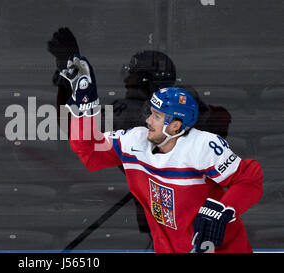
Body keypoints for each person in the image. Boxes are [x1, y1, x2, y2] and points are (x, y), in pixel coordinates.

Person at [60, 55, 263, 253]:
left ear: (175, 126)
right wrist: (85, 108)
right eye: (150, 113)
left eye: (156, 116)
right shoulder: (134, 141)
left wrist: (222, 210)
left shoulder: (202, 146)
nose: (148, 120)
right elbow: (90, 151)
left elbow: (249, 178)